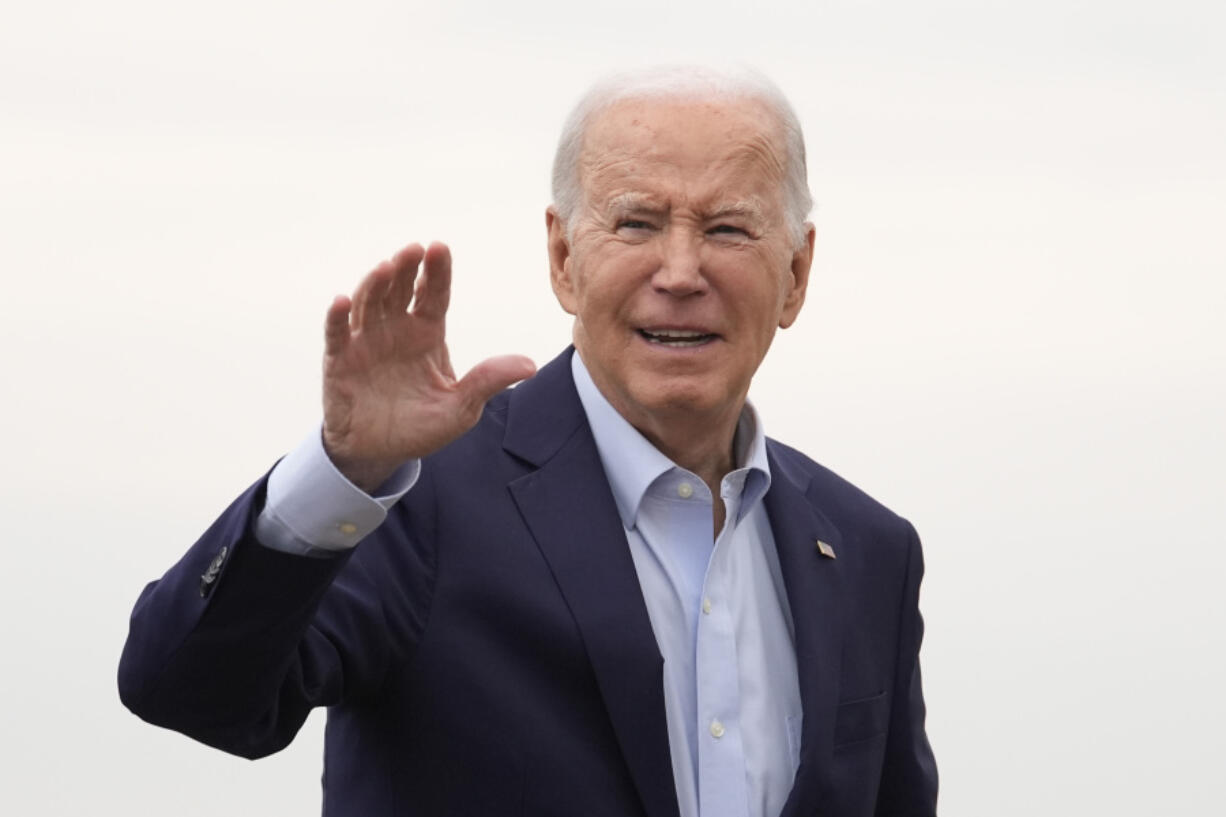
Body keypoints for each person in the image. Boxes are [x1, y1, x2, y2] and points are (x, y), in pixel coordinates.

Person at [119, 66, 938, 817]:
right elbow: (187, 690)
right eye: (637, 223)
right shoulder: (418, 500)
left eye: (727, 229)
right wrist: (341, 472)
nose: (682, 270)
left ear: (795, 274)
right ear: (563, 258)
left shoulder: (869, 550)